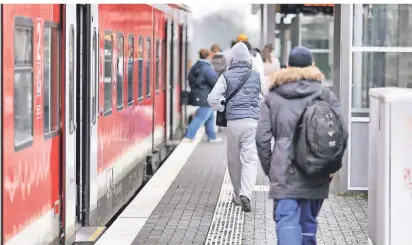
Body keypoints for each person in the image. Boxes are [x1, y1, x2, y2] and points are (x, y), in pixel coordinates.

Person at [255, 46, 347, 245]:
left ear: (287, 66)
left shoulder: (274, 96)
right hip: (317, 171)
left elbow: (262, 138)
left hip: (284, 171)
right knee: (308, 225)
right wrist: (331, 167)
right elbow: (342, 133)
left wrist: (272, 169)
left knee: (287, 223)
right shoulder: (325, 94)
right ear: (313, 65)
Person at [207, 42, 263, 212]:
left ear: (231, 59)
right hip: (253, 122)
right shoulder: (256, 76)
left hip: (233, 123)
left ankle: (238, 196)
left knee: (234, 160)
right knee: (250, 160)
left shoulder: (226, 76)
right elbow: (266, 96)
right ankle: (247, 193)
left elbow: (212, 98)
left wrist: (222, 107)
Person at [183, 49, 222, 143]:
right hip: (206, 96)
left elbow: (190, 79)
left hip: (197, 94)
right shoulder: (207, 68)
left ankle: (212, 136)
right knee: (200, 117)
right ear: (208, 57)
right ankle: (189, 136)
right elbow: (214, 81)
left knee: (210, 117)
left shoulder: (194, 66)